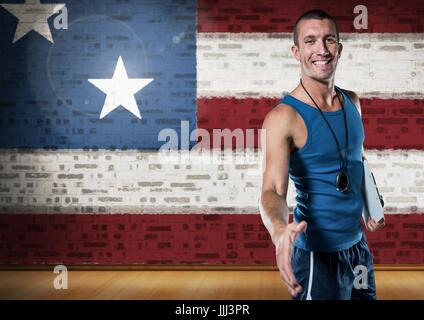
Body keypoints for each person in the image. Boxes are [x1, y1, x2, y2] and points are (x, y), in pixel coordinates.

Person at [259, 9, 385, 300]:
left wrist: (372, 206)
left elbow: (357, 162)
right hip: (317, 256)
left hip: (358, 249)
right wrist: (280, 232)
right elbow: (271, 190)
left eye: (329, 40)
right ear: (296, 51)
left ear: (339, 49)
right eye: (311, 41)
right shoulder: (283, 117)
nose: (322, 50)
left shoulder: (352, 101)